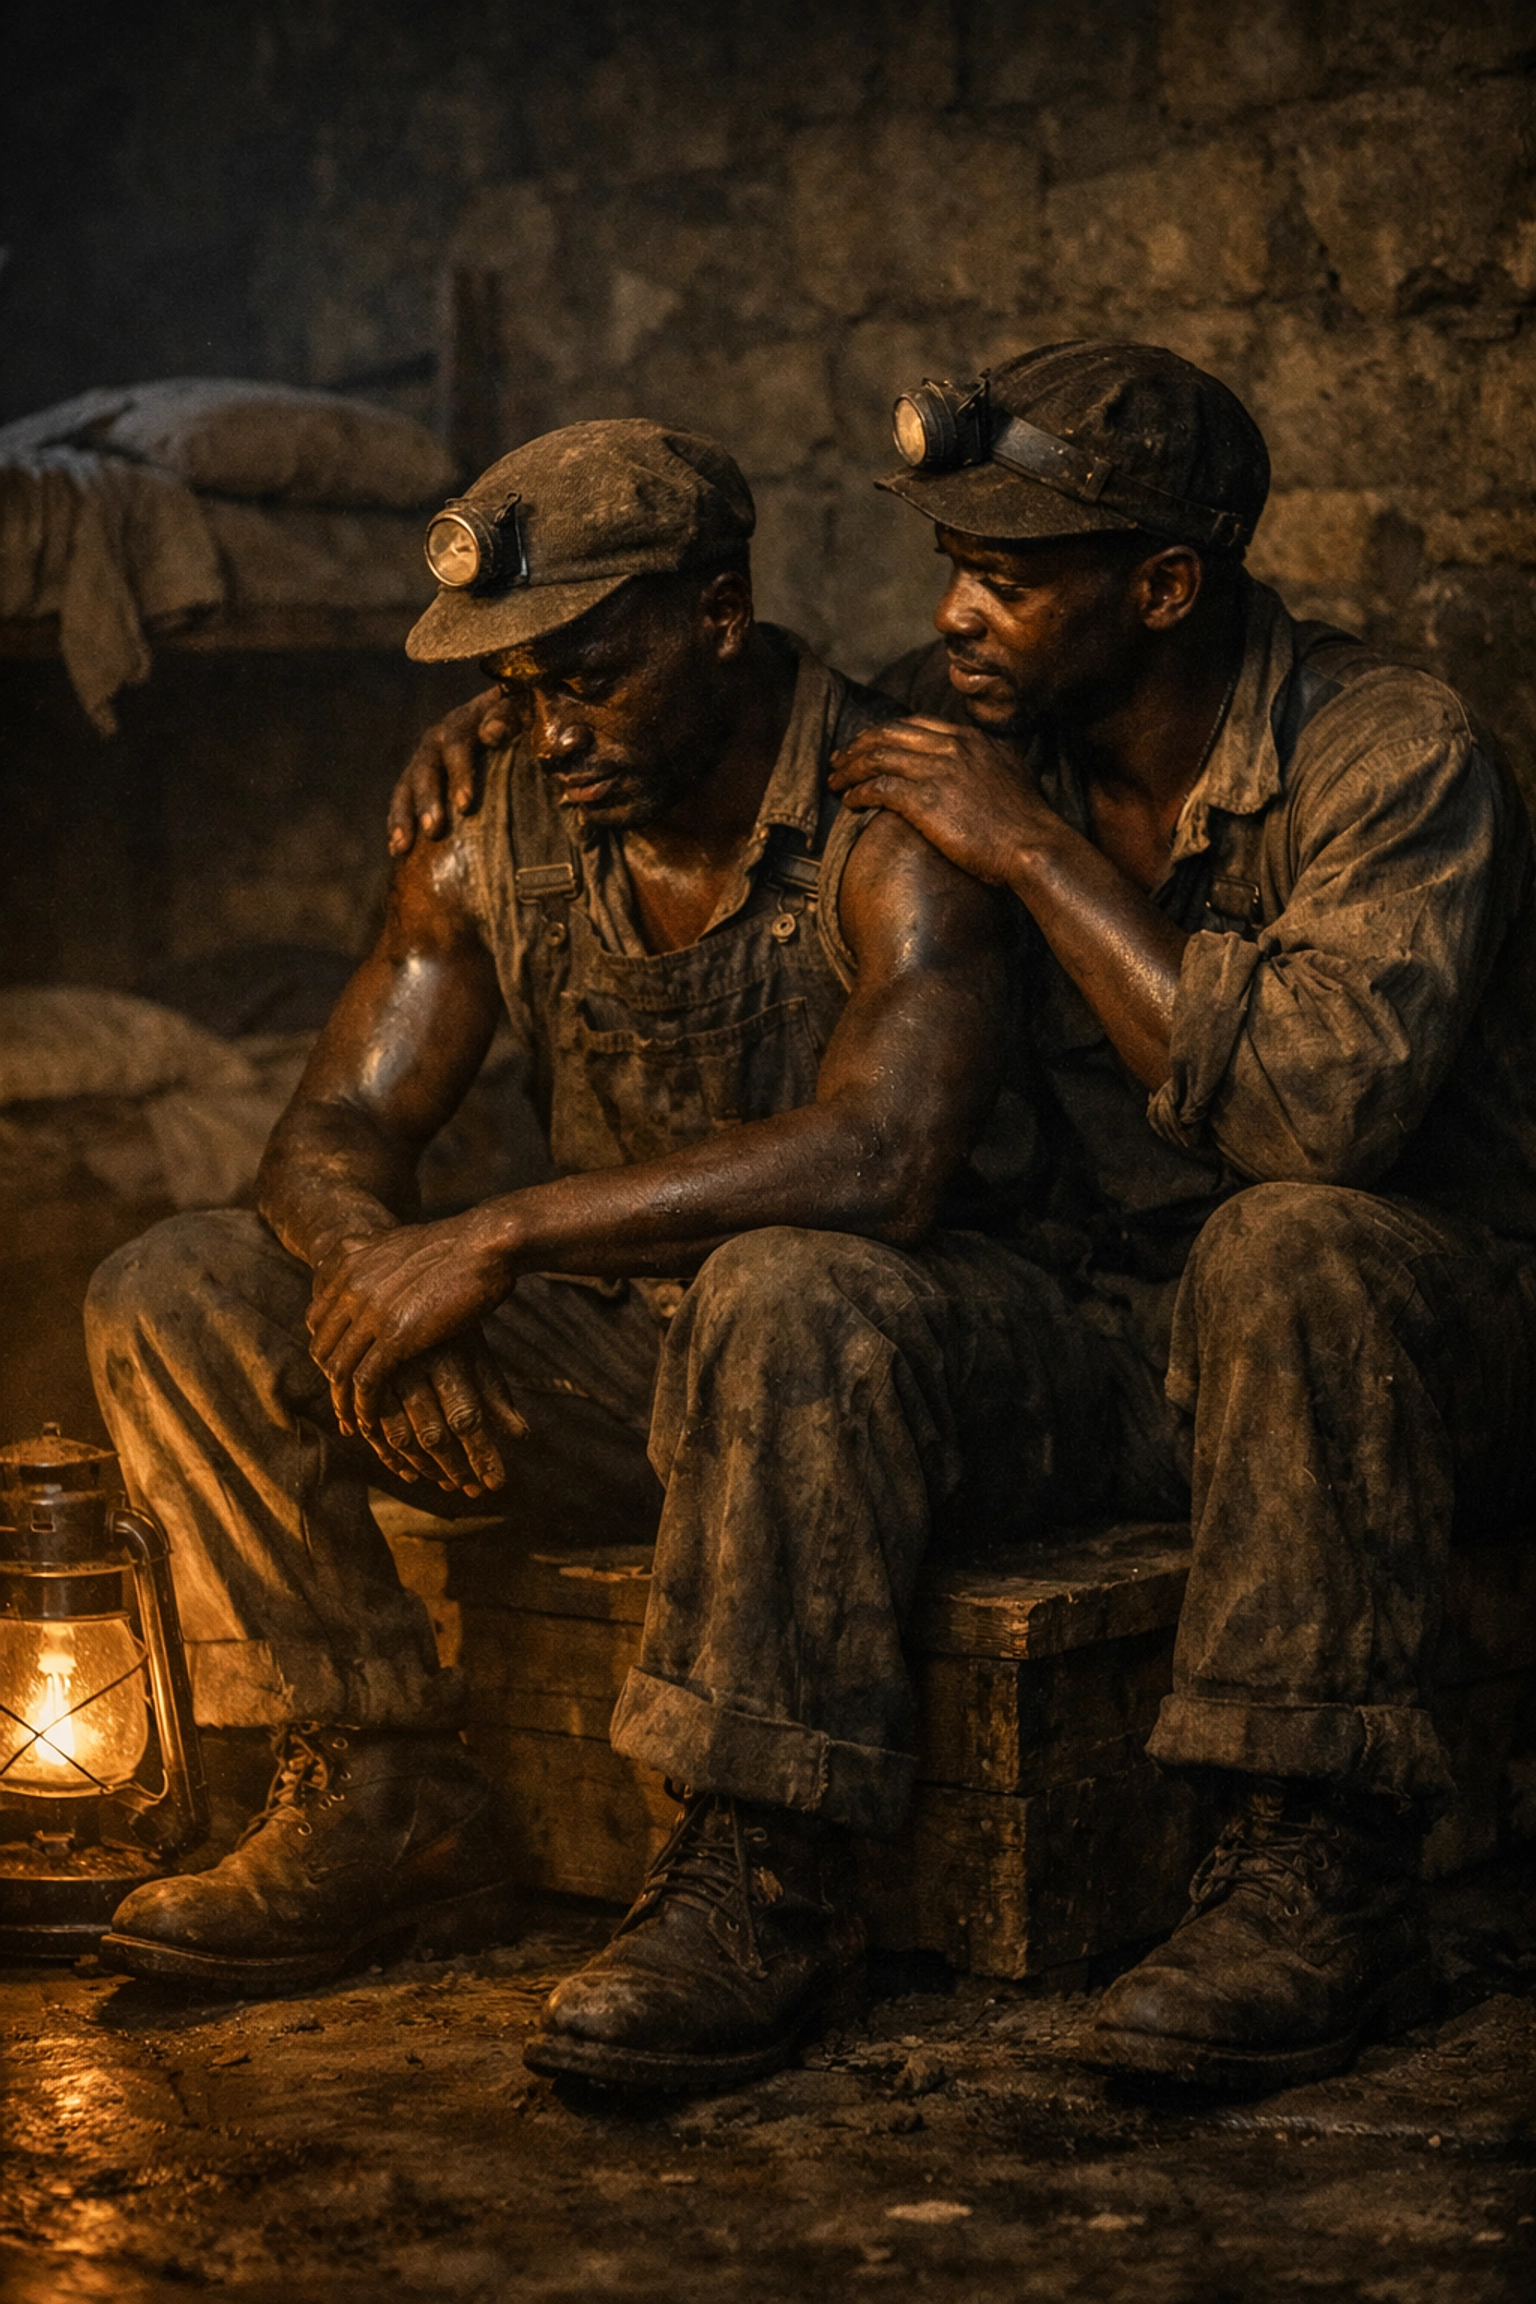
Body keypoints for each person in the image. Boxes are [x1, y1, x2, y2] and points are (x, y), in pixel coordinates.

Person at [391, 344, 1536, 2097]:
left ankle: (1321, 1877)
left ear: (1164, 589)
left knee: (1292, 1241)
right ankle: (762, 1879)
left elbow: (1316, 1119)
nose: (954, 613)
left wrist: (1038, 856)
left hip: (1406, 1352)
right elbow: (740, 703)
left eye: (1004, 578)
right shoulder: (976, 713)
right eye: (953, 569)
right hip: (1104, 1342)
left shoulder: (1390, 751)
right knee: (792, 1281)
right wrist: (533, 701)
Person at [87, 416, 1052, 2089]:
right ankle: (384, 1789)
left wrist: (497, 1236)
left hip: (896, 1367)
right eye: (515, 686)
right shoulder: (496, 817)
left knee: (781, 1286)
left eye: (589, 677)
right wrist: (377, 1278)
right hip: (638, 1365)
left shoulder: (893, 809)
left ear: (722, 615)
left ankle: (764, 1871)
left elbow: (884, 1158)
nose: (549, 730)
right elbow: (331, 1130)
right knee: (171, 1285)